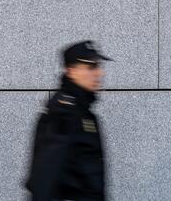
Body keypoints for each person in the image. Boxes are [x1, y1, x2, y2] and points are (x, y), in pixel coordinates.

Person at [24, 40, 112, 201]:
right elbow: (45, 176)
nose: (100, 73)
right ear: (71, 71)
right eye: (91, 67)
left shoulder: (82, 111)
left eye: (98, 66)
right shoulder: (63, 113)